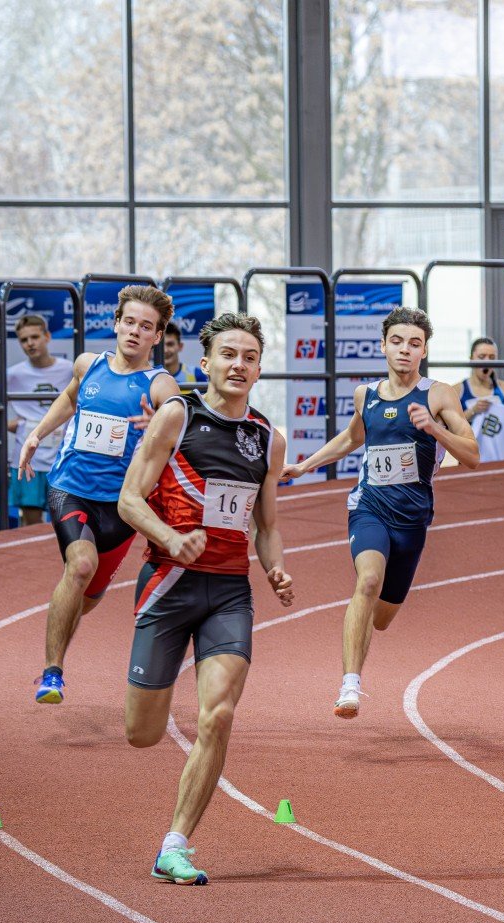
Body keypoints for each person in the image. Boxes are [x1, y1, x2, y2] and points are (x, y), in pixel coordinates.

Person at [117, 312, 294, 886]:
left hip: (229, 593)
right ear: (205, 362)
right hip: (168, 585)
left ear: (259, 368)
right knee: (142, 733)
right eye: (227, 355)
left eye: (248, 357)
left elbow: (266, 523)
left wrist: (275, 567)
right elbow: (129, 499)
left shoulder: (268, 437)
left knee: (217, 715)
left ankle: (174, 845)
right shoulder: (178, 415)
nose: (238, 365)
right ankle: (153, 699)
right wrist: (171, 538)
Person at [282, 306, 479, 718]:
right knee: (367, 581)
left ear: (424, 350)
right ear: (383, 346)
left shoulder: (439, 394)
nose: (405, 350)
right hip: (369, 506)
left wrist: (434, 428)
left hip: (413, 519)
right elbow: (351, 438)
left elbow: (472, 455)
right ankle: (349, 687)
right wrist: (304, 466)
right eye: (397, 341)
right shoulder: (365, 395)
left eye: (415, 343)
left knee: (383, 617)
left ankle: (362, 632)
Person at [17, 285, 182, 704]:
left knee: (86, 599)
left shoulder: (160, 385)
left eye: (146, 327)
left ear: (157, 337)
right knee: (80, 564)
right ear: (116, 323)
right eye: (129, 322)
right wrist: (37, 434)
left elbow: (180, 422)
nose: (134, 332)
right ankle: (52, 673)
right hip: (69, 487)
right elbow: (70, 398)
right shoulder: (88, 364)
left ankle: (69, 608)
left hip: (122, 506)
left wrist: (160, 424)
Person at [6, 315, 67, 526]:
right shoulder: (14, 374)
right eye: (24, 339)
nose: (30, 343)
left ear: (47, 336)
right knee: (31, 526)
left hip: (61, 459)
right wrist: (9, 424)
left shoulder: (69, 369)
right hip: (27, 458)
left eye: (35, 337)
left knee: (65, 524)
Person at [459, 336, 504, 463]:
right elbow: (448, 426)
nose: (487, 361)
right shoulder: (457, 390)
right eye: (481, 357)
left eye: (491, 358)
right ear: (471, 359)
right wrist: (472, 411)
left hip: (500, 455)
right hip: (469, 457)